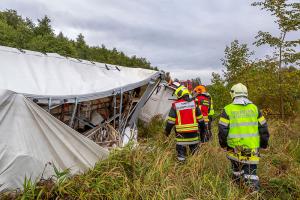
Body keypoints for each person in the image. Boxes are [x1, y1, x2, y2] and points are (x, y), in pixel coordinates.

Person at [218, 83, 269, 191]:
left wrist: (223, 144)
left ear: (233, 94)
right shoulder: (255, 109)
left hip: (234, 149)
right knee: (251, 174)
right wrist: (264, 144)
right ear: (246, 93)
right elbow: (263, 128)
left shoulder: (227, 109)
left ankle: (237, 190)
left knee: (237, 171)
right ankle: (253, 194)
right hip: (251, 149)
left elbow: (222, 131)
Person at [165, 85, 206, 162]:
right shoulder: (194, 104)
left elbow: (170, 122)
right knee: (195, 155)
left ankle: (181, 167)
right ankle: (196, 168)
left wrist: (167, 132)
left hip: (181, 136)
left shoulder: (175, 105)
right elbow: (201, 121)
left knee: (181, 155)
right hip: (193, 135)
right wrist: (202, 134)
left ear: (179, 95)